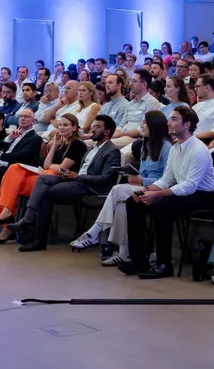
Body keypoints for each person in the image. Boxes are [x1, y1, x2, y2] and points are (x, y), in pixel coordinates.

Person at [0, 115, 122, 251]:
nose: (93, 129)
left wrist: (78, 176)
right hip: (75, 179)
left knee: (45, 193)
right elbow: (48, 166)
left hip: (88, 186)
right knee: (42, 179)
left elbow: (106, 179)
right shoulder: (92, 148)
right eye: (93, 125)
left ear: (107, 132)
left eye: (97, 127)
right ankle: (28, 220)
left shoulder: (112, 151)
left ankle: (37, 238)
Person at [121, 105, 214, 279]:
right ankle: (139, 260)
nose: (168, 123)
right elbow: (166, 179)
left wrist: (156, 195)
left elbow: (189, 186)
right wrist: (146, 190)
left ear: (187, 124)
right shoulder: (175, 148)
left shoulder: (199, 149)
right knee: (133, 202)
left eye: (174, 119)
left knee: (162, 206)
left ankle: (164, 264)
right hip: (183, 191)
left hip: (202, 196)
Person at [71, 113, 172, 265]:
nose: (141, 126)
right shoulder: (146, 145)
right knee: (121, 204)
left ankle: (95, 232)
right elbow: (143, 173)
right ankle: (124, 253)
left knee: (118, 190)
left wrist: (142, 180)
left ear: (154, 125)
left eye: (144, 123)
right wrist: (135, 177)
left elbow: (168, 179)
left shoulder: (167, 148)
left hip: (158, 190)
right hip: (141, 187)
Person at [0, 113, 88, 231]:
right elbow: (46, 164)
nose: (61, 128)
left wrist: (50, 166)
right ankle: (6, 213)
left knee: (12, 181)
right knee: (12, 172)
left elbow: (61, 169)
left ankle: (5, 218)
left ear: (74, 128)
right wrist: (54, 146)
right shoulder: (60, 144)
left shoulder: (77, 144)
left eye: (65, 125)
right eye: (60, 125)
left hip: (55, 180)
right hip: (46, 175)